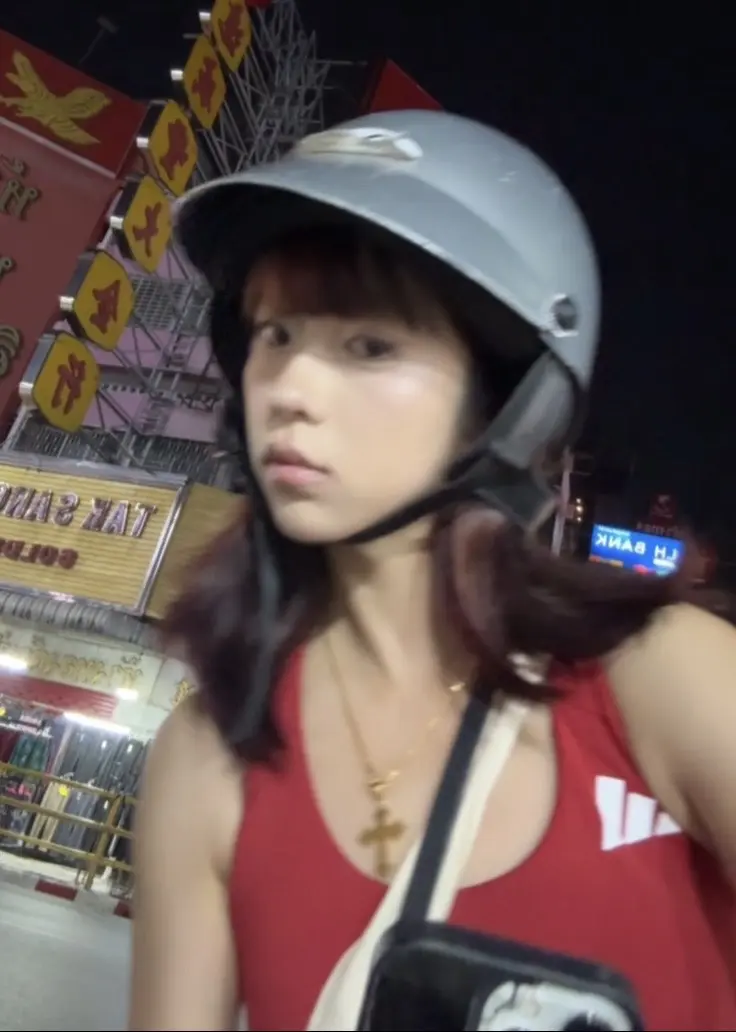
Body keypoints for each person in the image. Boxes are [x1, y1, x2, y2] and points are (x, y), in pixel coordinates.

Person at [129, 111, 736, 1032]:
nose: (289, 389)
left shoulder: (663, 676)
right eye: (275, 334)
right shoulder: (209, 759)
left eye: (371, 347)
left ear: (509, 406)